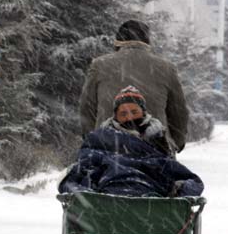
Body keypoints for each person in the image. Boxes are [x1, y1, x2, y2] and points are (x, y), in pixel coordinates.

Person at [59, 87, 203, 234]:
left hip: (146, 192)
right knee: (94, 206)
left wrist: (180, 189)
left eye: (134, 112)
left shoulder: (159, 140)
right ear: (115, 116)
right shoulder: (102, 138)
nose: (129, 117)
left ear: (143, 113)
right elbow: (86, 164)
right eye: (123, 113)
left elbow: (174, 172)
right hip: (111, 192)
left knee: (97, 211)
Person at [79, 19, 188, 153]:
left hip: (109, 150)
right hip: (155, 151)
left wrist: (92, 139)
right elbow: (178, 112)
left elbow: (87, 108)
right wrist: (175, 142)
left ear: (117, 42)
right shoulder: (166, 68)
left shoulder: (99, 65)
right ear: (147, 42)